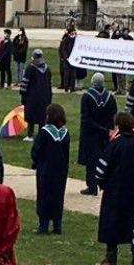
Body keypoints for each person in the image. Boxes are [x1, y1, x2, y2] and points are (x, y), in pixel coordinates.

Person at [94, 113, 134, 265]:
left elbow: (102, 167)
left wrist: (101, 182)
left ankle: (111, 258)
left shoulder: (115, 144)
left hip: (115, 191)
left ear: (118, 126)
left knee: (112, 223)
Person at [31, 103, 72, 236]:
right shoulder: (65, 134)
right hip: (61, 170)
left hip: (46, 169)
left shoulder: (45, 132)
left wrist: (35, 162)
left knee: (44, 196)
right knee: (58, 196)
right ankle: (57, 225)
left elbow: (36, 150)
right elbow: (67, 153)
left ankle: (43, 226)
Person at [78, 73, 117, 195]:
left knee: (91, 160)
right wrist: (109, 129)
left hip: (91, 133)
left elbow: (86, 119)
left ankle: (92, 186)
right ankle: (105, 184)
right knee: (104, 159)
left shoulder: (87, 97)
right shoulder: (110, 97)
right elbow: (114, 115)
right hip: (106, 133)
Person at [19, 52, 51, 139]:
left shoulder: (30, 68)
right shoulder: (47, 69)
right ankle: (41, 134)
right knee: (42, 117)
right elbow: (49, 84)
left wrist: (22, 95)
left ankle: (30, 135)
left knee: (31, 116)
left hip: (32, 97)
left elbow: (25, 83)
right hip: (45, 97)